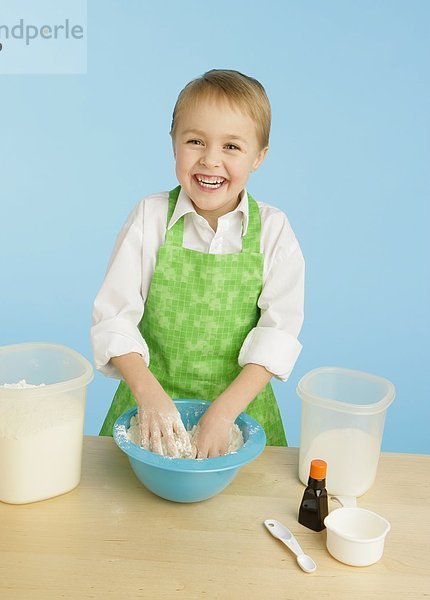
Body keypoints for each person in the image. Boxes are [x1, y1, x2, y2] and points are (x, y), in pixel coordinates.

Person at [91, 69, 304, 458]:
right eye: (195, 141)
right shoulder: (148, 218)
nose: (210, 160)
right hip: (148, 412)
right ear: (173, 143)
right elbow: (113, 320)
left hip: (241, 415)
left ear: (259, 156)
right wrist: (149, 397)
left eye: (231, 147)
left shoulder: (274, 231)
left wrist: (222, 416)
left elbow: (279, 334)